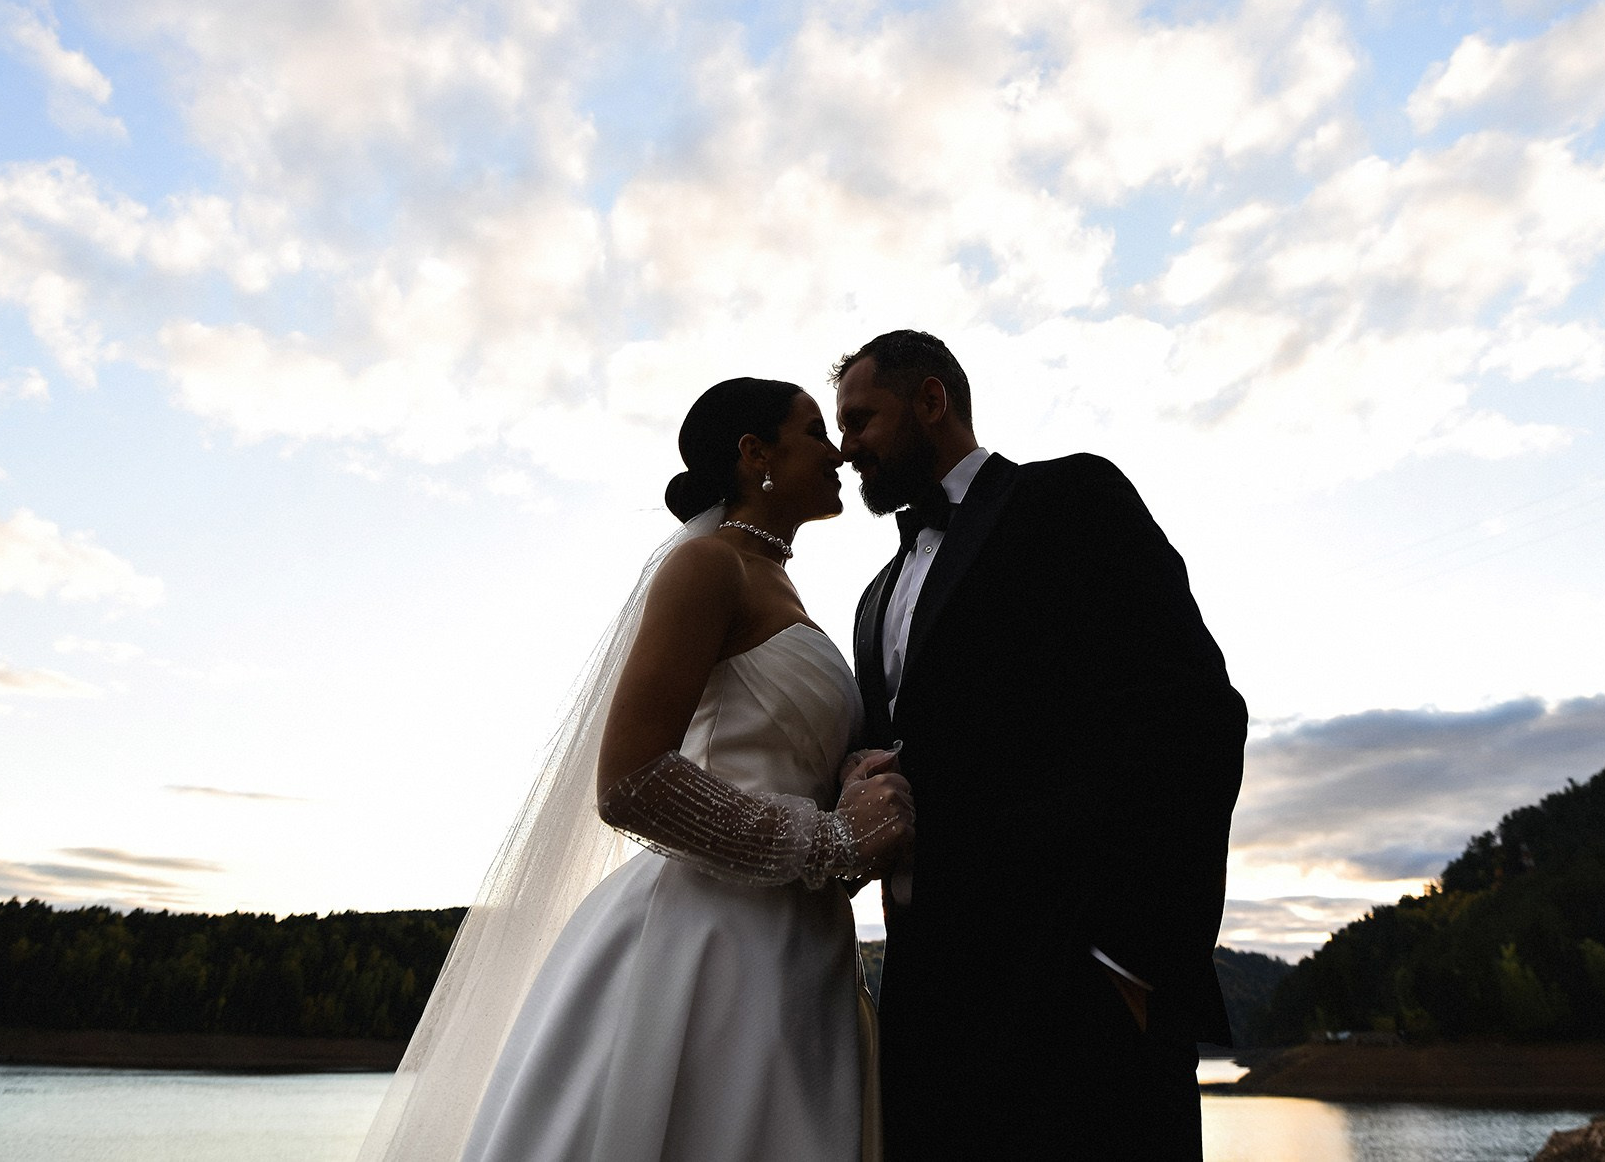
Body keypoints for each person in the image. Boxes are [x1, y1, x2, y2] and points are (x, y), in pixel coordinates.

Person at [354, 377, 912, 1162]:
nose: (838, 451)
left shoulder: (788, 588)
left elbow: (801, 782)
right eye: (816, 431)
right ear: (755, 453)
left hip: (803, 947)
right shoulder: (706, 569)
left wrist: (854, 798)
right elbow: (630, 781)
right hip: (709, 946)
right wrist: (827, 842)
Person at [834, 329, 1247, 1161]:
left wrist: (1129, 961)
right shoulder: (874, 597)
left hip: (1072, 984)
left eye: (861, 420)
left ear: (931, 400)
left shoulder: (1073, 499)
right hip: (926, 997)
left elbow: (1196, 717)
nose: (846, 451)